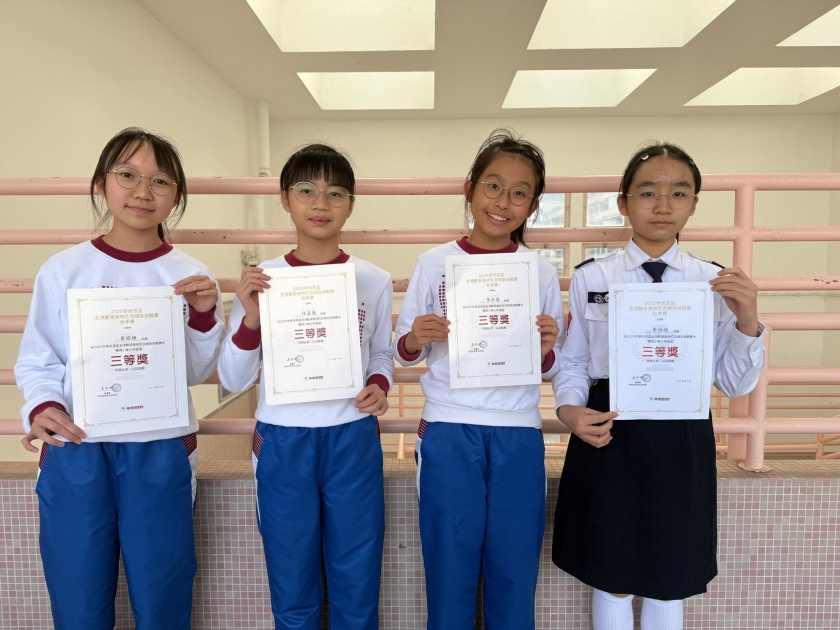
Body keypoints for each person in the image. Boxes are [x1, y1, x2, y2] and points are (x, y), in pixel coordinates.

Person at [15, 127, 224, 629]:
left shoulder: (190, 274)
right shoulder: (63, 270)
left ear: (176, 196)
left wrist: (202, 315)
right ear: (101, 184)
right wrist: (44, 405)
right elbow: (38, 359)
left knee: (163, 592)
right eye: (128, 175)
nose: (143, 192)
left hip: (160, 449)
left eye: (161, 181)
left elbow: (195, 372)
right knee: (78, 595)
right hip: (78, 447)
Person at [552, 142, 766, 630]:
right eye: (648, 192)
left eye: (679, 193)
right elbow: (575, 360)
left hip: (681, 432)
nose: (663, 205)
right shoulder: (592, 277)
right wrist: (569, 410)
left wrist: (748, 320)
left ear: (694, 204)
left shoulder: (714, 282)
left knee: (671, 572)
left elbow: (733, 382)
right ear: (623, 203)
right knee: (610, 568)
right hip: (609, 429)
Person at [393, 128, 564, 629]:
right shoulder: (434, 265)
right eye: (493, 186)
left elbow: (553, 364)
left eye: (519, 193)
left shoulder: (538, 272)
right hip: (449, 429)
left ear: (533, 206)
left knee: (514, 573)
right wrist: (417, 337)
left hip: (518, 431)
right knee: (450, 571)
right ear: (470, 189)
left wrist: (547, 349)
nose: (503, 202)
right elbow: (403, 352)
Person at [218, 143, 393, 629]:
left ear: (351, 205)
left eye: (335, 193)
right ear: (284, 199)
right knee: (292, 583)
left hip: (352, 436)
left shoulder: (372, 279)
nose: (321, 203)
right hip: (283, 440)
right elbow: (233, 378)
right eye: (306, 190)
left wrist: (379, 384)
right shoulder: (263, 280)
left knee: (357, 583)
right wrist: (251, 318)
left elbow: (381, 353)